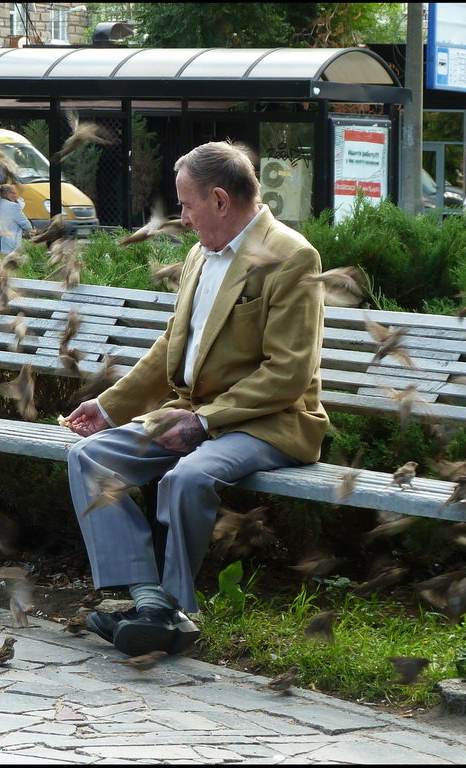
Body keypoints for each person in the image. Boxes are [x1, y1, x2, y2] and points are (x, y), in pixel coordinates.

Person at [64, 141, 329, 658]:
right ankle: (147, 599)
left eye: (186, 205)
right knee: (90, 456)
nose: (181, 218)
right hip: (197, 414)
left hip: (270, 421)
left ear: (220, 200)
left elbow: (289, 373)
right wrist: (111, 406)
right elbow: (173, 344)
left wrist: (205, 422)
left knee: (187, 477)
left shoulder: (292, 255)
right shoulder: (199, 253)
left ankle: (172, 605)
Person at [0, 183, 33, 254]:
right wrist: (32, 230)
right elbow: (24, 222)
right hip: (10, 245)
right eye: (14, 193)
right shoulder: (13, 206)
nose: (16, 196)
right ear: (8, 193)